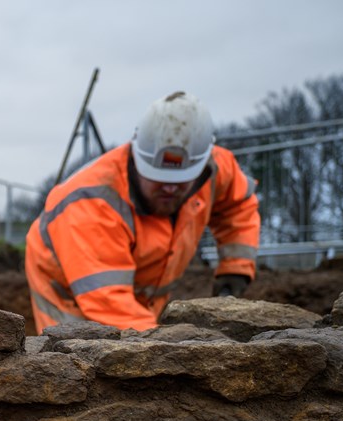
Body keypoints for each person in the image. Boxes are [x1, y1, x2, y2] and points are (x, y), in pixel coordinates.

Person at [24, 91, 261, 333]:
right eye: (158, 178)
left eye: (181, 181)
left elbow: (239, 208)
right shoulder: (91, 204)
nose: (170, 187)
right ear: (137, 159)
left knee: (144, 337)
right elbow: (111, 305)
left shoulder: (217, 168)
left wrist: (236, 267)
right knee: (78, 350)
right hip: (70, 287)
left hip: (142, 284)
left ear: (202, 167)